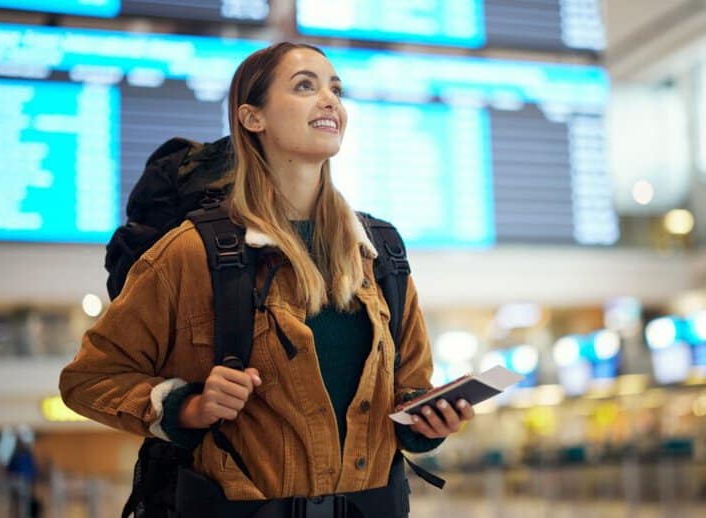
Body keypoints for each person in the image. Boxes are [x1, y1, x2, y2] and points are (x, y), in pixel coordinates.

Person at [59, 42, 474, 517]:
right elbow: (89, 379)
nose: (330, 101)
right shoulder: (192, 252)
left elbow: (409, 389)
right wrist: (186, 408)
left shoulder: (379, 253)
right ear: (252, 118)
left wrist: (427, 421)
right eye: (305, 86)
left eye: (335, 89)